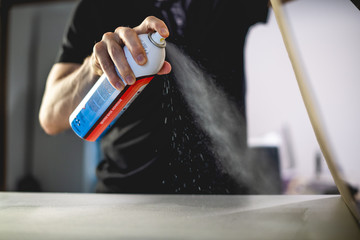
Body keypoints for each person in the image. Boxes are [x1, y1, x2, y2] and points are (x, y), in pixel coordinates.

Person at [39, 0, 270, 194]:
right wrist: (95, 67)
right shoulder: (99, 6)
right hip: (126, 197)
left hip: (221, 198)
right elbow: (50, 116)